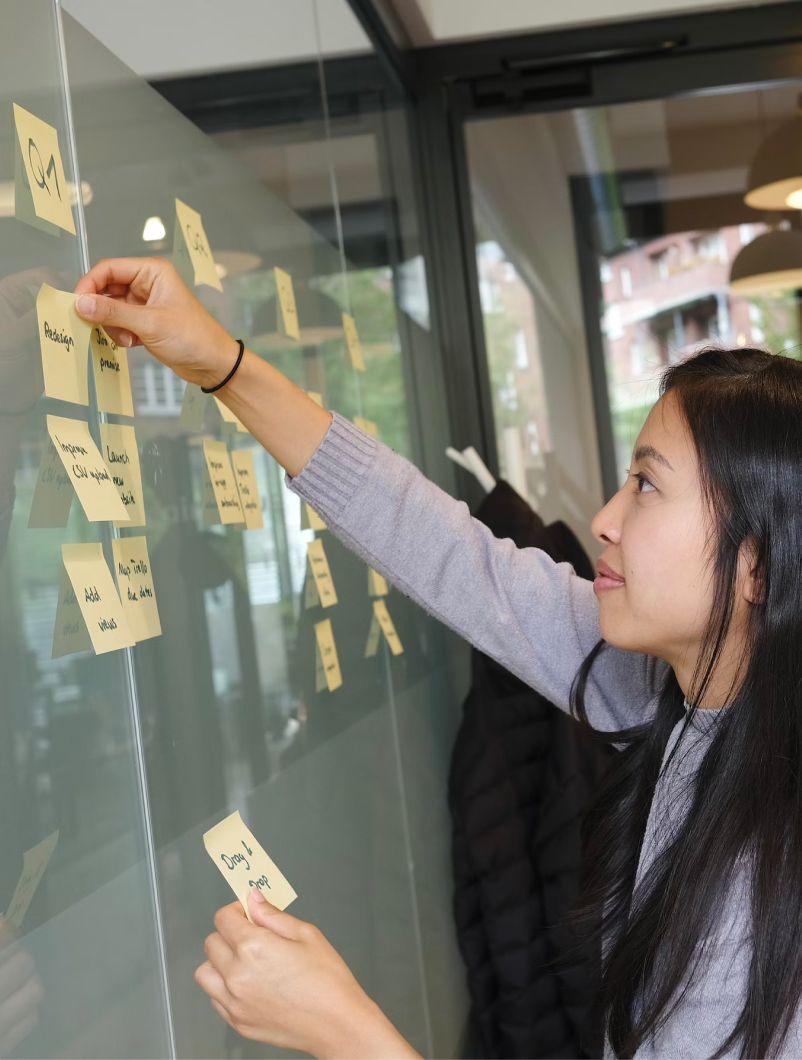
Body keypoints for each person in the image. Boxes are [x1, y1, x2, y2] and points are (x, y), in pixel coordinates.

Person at [72, 256, 802, 1059]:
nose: (603, 518)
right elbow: (442, 547)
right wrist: (220, 361)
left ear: (757, 566)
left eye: (647, 486)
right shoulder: (674, 690)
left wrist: (343, 1030)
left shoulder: (771, 863)